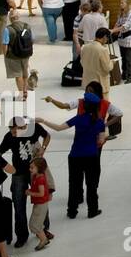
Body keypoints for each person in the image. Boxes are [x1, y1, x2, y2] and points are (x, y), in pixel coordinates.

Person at [37, 92, 107, 220]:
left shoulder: (79, 118)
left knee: (74, 184)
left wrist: (43, 120)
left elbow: (58, 128)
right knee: (91, 184)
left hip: (75, 156)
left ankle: (72, 211)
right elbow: (100, 141)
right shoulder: (99, 122)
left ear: (85, 105)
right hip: (92, 156)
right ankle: (92, 210)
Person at [0, 116, 50, 248]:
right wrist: (3, 166)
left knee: (41, 200)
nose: (13, 134)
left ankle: (43, 229)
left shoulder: (33, 128)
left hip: (35, 173)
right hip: (18, 173)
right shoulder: (8, 137)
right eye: (11, 131)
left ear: (22, 127)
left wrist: (43, 147)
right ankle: (21, 235)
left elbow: (47, 135)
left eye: (15, 131)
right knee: (18, 204)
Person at [25, 158, 53, 251]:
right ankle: (43, 237)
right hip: (39, 203)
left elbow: (41, 193)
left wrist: (30, 193)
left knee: (34, 224)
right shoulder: (36, 176)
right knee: (35, 223)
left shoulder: (40, 179)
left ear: (39, 168)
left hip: (41, 204)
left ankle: (43, 239)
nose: (30, 169)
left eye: (32, 168)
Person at [80, 27, 115, 95]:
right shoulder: (103, 50)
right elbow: (107, 68)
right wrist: (112, 63)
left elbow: (82, 63)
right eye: (107, 38)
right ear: (104, 37)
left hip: (88, 83)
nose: (107, 40)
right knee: (103, 104)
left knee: (90, 103)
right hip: (100, 84)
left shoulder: (85, 47)